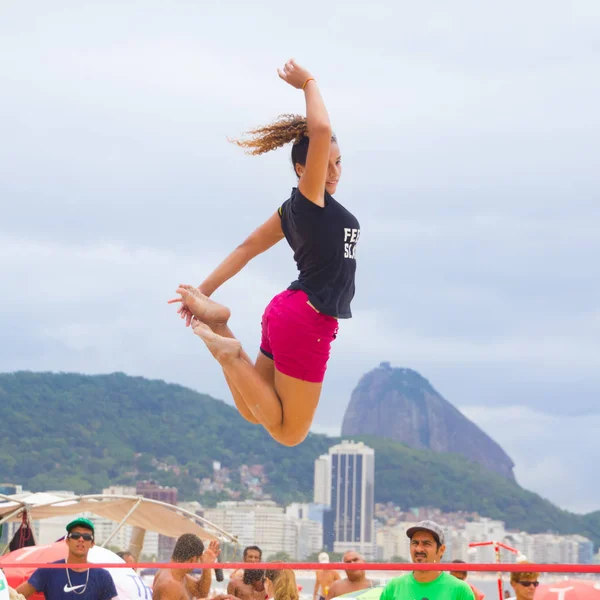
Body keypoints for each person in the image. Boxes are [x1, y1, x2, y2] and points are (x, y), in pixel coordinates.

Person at [169, 58, 360, 447]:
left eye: (339, 163)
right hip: (308, 317)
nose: (335, 172)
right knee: (290, 433)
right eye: (326, 164)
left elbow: (247, 248)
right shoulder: (310, 200)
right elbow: (320, 127)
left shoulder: (291, 210)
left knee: (254, 408)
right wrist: (307, 81)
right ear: (302, 169)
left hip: (287, 310)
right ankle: (228, 354)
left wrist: (202, 294)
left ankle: (220, 329)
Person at [16, 518, 117, 600]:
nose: (81, 540)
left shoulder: (102, 576)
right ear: (67, 541)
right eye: (75, 536)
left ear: (92, 543)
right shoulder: (48, 571)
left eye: (86, 537)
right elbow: (13, 596)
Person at [379, 521, 474, 600]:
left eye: (426, 544)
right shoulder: (393, 587)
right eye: (415, 543)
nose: (419, 549)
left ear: (441, 550)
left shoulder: (461, 590)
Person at [152, 533, 220, 600]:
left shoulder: (179, 575)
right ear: (192, 560)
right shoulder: (171, 584)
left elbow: (200, 592)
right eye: (198, 560)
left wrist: (206, 567)